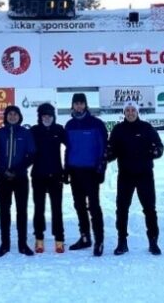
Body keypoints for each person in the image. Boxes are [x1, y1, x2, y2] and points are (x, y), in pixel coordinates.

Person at [106, 101, 164, 256]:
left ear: (137, 112)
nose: (130, 113)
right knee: (122, 209)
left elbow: (159, 146)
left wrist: (156, 151)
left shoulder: (146, 128)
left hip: (145, 174)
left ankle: (153, 242)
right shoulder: (118, 129)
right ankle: (122, 242)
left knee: (150, 209)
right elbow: (112, 150)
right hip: (125, 175)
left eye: (133, 110)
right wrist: (105, 156)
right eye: (127, 110)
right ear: (124, 113)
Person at [64, 93, 108, 257]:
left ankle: (99, 240)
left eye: (82, 103)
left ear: (86, 105)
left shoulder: (96, 124)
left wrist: (101, 169)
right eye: (76, 104)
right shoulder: (69, 125)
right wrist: (66, 169)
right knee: (79, 206)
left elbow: (104, 148)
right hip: (75, 171)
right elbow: (68, 149)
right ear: (72, 106)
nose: (79, 106)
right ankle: (85, 237)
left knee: (94, 207)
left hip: (91, 172)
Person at [0, 105, 36, 257]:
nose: (12, 117)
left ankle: (22, 244)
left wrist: (18, 170)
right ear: (5, 117)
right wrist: (2, 170)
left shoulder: (25, 133)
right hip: (3, 178)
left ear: (19, 117)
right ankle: (5, 244)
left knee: (21, 211)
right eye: (9, 114)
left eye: (15, 114)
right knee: (4, 211)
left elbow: (31, 154)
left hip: (21, 178)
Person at [29, 102, 68, 254]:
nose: (47, 118)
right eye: (44, 115)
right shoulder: (34, 131)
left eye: (50, 115)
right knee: (39, 209)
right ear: (40, 117)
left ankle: (59, 239)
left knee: (57, 209)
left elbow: (72, 146)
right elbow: (25, 150)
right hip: (38, 175)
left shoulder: (59, 129)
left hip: (56, 175)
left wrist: (67, 169)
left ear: (53, 116)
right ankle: (39, 238)